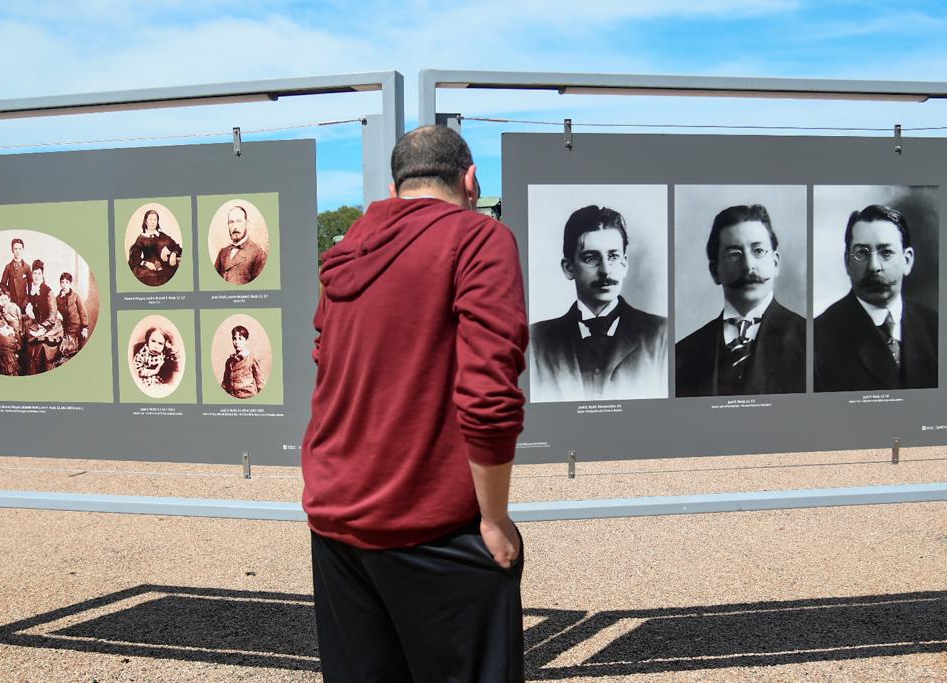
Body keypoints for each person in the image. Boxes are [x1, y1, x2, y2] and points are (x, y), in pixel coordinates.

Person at [301, 125, 527, 681]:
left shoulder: (348, 249)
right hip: (432, 527)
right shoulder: (477, 238)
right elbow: (489, 393)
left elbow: (325, 362)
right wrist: (494, 518)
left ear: (394, 185)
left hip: (336, 520)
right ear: (470, 180)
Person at [530, 205, 667, 401]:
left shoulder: (661, 334)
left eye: (613, 256)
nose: (605, 270)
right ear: (568, 268)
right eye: (591, 258)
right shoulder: (536, 341)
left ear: (624, 263)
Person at [676, 204, 805, 397]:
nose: (748, 265)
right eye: (734, 254)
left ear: (775, 263)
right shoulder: (683, 354)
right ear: (715, 271)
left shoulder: (810, 341)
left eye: (758, 251)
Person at [814, 204, 937, 392]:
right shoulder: (817, 339)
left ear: (907, 260)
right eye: (861, 253)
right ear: (847, 261)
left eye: (886, 252)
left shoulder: (936, 328)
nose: (873, 266)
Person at [22, 259, 61, 375]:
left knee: (41, 345)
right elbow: (25, 306)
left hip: (51, 326)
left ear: (42, 275)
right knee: (29, 343)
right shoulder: (31, 292)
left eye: (39, 273)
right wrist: (27, 307)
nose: (37, 276)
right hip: (37, 325)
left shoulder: (48, 291)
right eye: (34, 273)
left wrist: (43, 328)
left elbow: (53, 315)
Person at [128, 209, 183, 287]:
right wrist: (146, 263)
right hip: (148, 267)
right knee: (149, 277)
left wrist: (174, 254)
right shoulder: (141, 238)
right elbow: (135, 258)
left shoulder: (162, 235)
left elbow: (176, 246)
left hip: (163, 266)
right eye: (150, 219)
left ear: (157, 222)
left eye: (155, 219)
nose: (152, 222)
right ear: (146, 221)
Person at [213, 205, 267, 285]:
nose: (235, 226)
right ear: (228, 225)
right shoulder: (222, 252)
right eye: (231, 222)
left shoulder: (259, 254)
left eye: (239, 221)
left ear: (246, 223)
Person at [221, 325, 265, 398]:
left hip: (248, 396)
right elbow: (225, 383)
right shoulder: (230, 361)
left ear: (246, 341)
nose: (237, 342)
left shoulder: (252, 358)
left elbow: (260, 383)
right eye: (234, 338)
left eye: (240, 339)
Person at [55, 272, 89, 366]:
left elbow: (83, 312)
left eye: (67, 282)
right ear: (60, 284)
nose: (64, 284)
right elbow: (53, 311)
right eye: (62, 282)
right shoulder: (57, 299)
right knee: (68, 353)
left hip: (78, 328)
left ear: (70, 283)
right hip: (67, 330)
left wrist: (85, 328)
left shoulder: (75, 296)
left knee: (81, 352)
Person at [0, 237, 31, 310]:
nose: (18, 251)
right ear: (12, 250)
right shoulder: (8, 267)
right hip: (12, 302)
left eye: (20, 249)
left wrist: (27, 300)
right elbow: (2, 284)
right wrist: (8, 295)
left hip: (24, 302)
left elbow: (30, 285)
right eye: (15, 249)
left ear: (23, 250)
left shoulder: (27, 267)